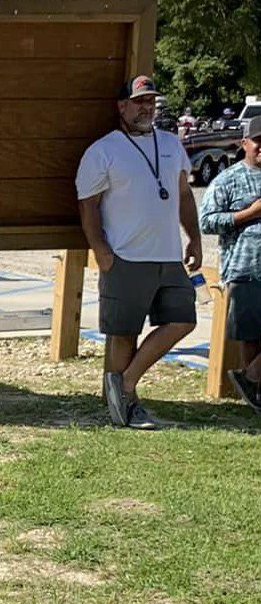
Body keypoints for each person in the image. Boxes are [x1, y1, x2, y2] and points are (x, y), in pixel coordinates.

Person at [76, 75, 202, 429]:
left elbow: (184, 195)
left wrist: (194, 238)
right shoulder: (103, 150)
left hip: (169, 256)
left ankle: (126, 383)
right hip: (125, 257)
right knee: (124, 332)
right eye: (139, 101)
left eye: (151, 101)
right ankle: (125, 408)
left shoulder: (171, 144)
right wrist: (101, 250)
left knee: (184, 320)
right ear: (122, 106)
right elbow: (87, 206)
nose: (147, 107)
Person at [200, 115, 261, 413]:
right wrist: (248, 213)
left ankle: (250, 379)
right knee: (251, 338)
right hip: (245, 268)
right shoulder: (227, 179)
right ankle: (255, 398)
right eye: (259, 141)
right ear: (244, 143)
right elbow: (207, 222)